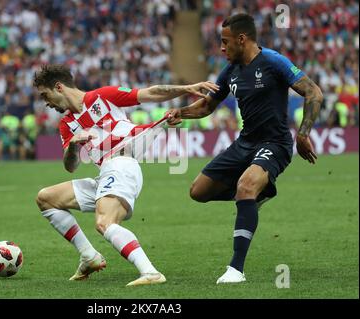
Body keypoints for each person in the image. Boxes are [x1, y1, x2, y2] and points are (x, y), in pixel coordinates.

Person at [167, 13, 323, 284]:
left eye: (225, 42)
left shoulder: (274, 62)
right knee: (198, 192)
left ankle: (236, 270)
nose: (221, 48)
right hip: (244, 143)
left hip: (274, 144)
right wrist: (181, 113)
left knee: (246, 186)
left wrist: (303, 133)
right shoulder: (230, 70)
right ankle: (255, 196)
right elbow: (207, 105)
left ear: (242, 39)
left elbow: (314, 93)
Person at [33, 64, 218, 286]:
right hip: (106, 174)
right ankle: (89, 256)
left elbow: (150, 93)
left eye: (45, 94)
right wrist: (73, 146)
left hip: (122, 165)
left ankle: (150, 273)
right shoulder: (66, 125)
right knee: (46, 198)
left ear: (59, 87)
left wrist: (187, 88)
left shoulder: (102, 96)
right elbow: (71, 166)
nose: (46, 102)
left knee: (104, 223)